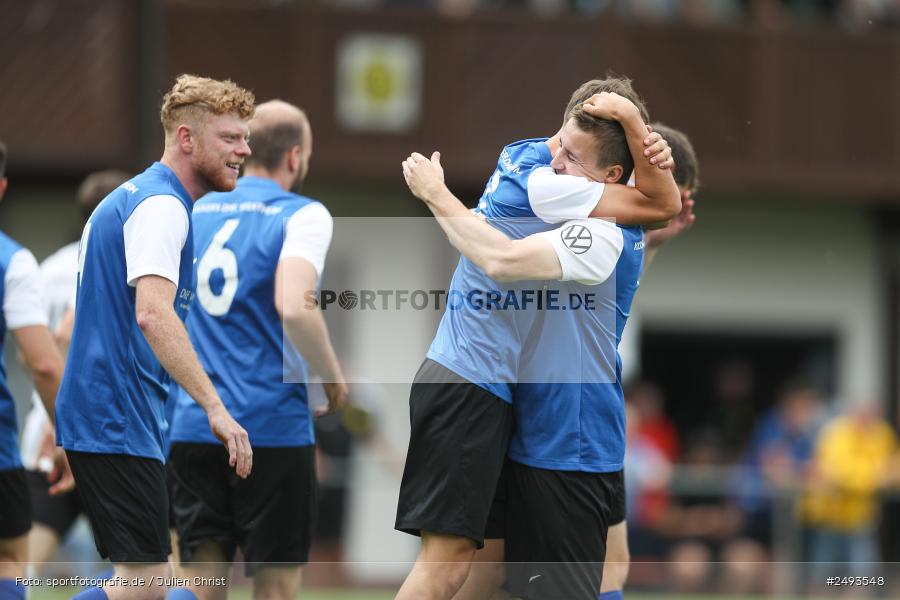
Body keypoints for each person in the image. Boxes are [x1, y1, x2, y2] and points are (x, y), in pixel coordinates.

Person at [395, 76, 681, 600]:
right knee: (456, 568)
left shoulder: (591, 223)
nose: (555, 161)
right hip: (496, 398)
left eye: (573, 157)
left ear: (612, 180)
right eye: (560, 147)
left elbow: (660, 207)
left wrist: (437, 193)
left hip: (555, 428)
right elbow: (661, 204)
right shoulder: (552, 182)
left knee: (499, 576)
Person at [54, 75, 255, 600]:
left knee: (148, 582)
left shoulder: (141, 197)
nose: (244, 150)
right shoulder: (161, 206)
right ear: (186, 138)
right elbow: (153, 315)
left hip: (115, 413)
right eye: (230, 138)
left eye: (245, 138)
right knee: (145, 585)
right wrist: (215, 406)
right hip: (114, 414)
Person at [166, 99, 347, 600]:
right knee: (275, 589)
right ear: (294, 157)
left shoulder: (196, 208)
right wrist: (332, 377)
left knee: (198, 584)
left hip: (194, 422)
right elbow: (294, 306)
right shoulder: (302, 214)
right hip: (271, 426)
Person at [18, 170, 131, 570]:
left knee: (21, 567)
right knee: (149, 574)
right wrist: (64, 422)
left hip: (45, 440)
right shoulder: (117, 263)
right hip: (98, 440)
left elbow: (32, 348)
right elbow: (64, 339)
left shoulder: (48, 267)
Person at [0, 140, 69, 600]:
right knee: (10, 563)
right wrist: (69, 435)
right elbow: (44, 360)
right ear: (3, 187)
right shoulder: (12, 259)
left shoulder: (46, 266)